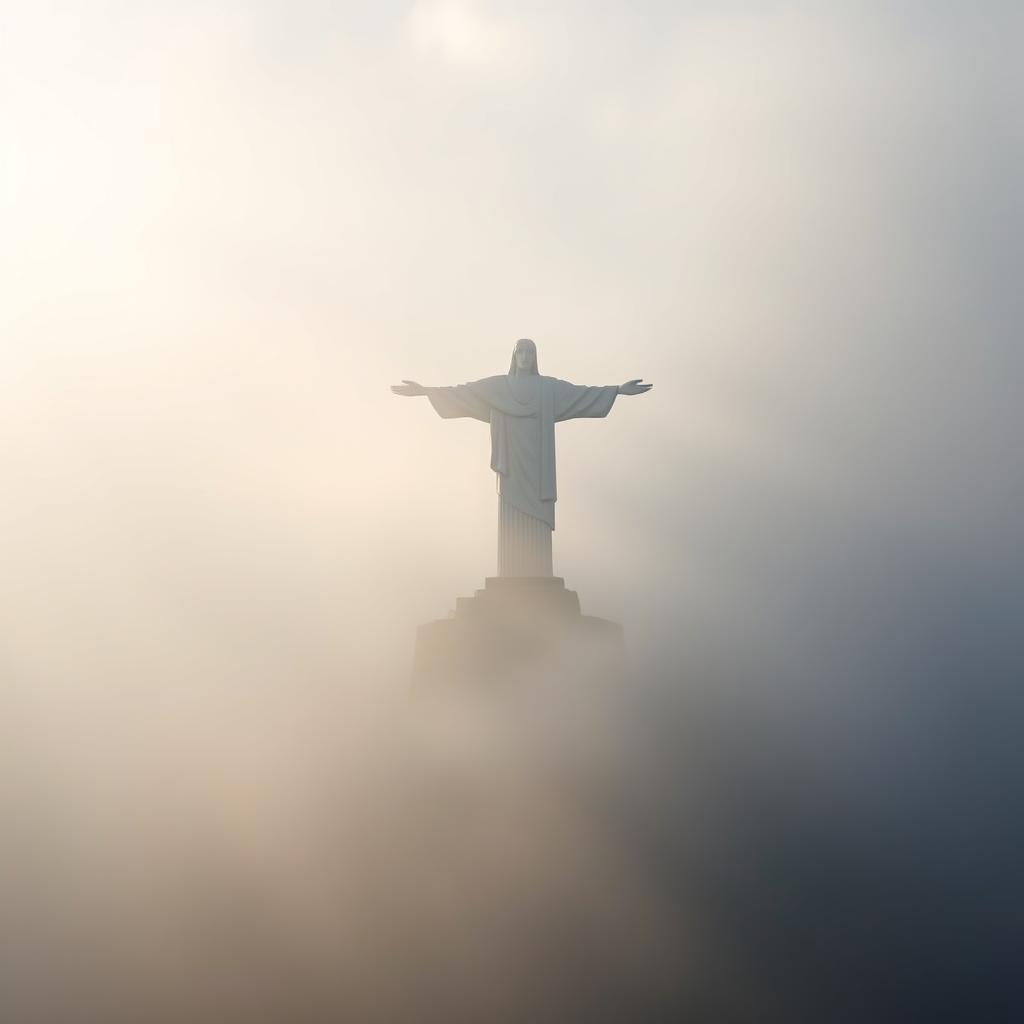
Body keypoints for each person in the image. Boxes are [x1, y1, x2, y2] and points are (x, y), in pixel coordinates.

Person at [392, 338, 652, 577]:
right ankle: (511, 578)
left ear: (535, 357)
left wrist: (617, 390)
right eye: (521, 352)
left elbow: (580, 393)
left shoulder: (547, 388)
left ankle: (538, 577)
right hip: (511, 466)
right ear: (514, 356)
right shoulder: (497, 387)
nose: (526, 356)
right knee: (511, 516)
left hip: (538, 465)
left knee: (537, 516)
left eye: (530, 352)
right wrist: (425, 391)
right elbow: (463, 392)